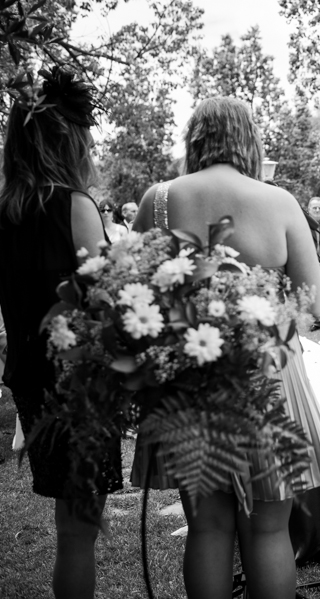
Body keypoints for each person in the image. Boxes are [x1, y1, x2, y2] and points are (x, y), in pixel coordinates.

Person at [132, 97, 320, 599]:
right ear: (249, 139)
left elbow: (131, 295)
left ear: (195, 139)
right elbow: (315, 303)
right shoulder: (279, 202)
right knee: (269, 528)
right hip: (269, 374)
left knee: (208, 526)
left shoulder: (159, 199)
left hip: (188, 375)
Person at [0, 66, 122, 599]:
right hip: (78, 383)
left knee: (71, 526)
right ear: (66, 145)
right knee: (78, 532)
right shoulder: (74, 207)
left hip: (29, 377)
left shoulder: (4, 210)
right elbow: (106, 299)